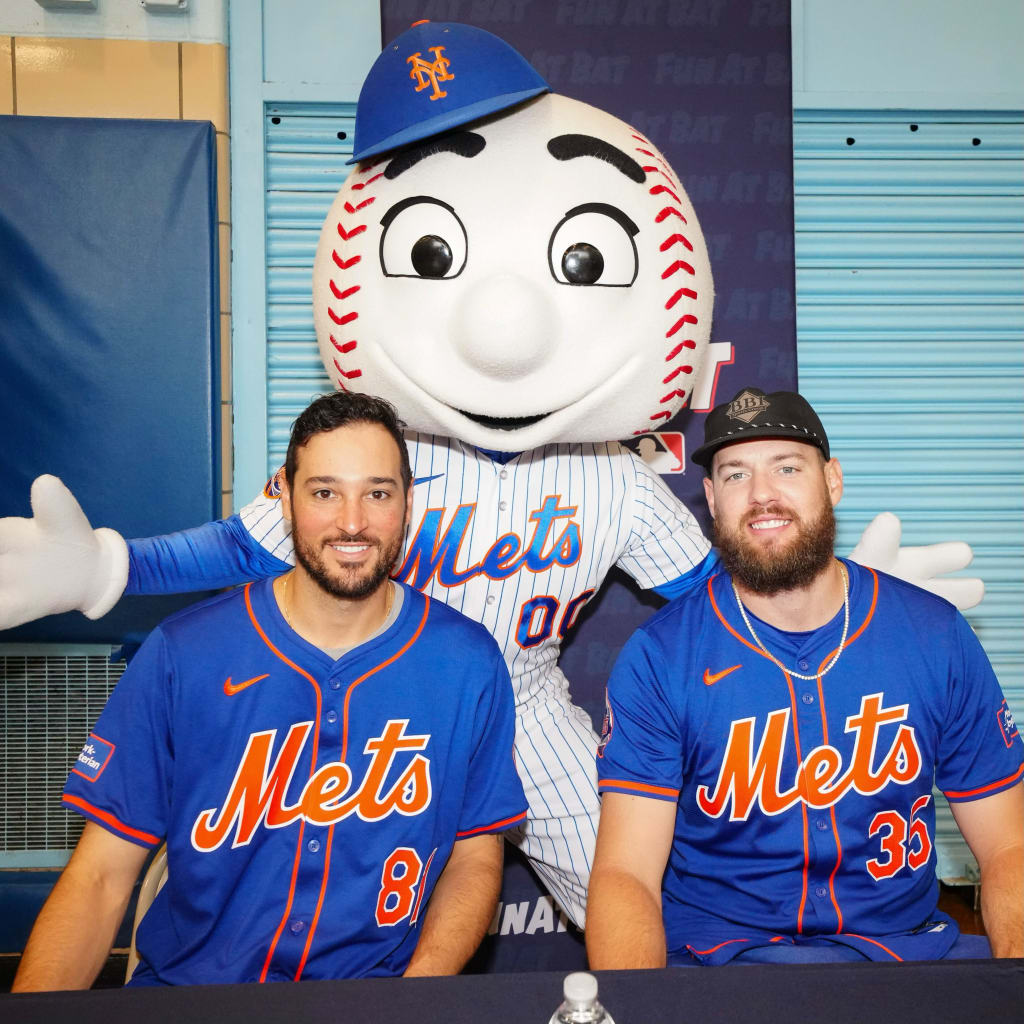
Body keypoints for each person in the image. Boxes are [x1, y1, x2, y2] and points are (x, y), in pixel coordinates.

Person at [0, 23, 980, 930]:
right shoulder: (377, 465)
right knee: (270, 907)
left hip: (523, 701)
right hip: (379, 699)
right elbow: (243, 546)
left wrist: (862, 614)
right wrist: (105, 567)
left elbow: (718, 599)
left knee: (640, 900)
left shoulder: (621, 483)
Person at [12, 391, 527, 990]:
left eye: (378, 493)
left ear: (408, 502)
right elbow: (100, 876)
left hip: (371, 995)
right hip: (193, 997)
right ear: (284, 497)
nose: (353, 522)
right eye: (325, 492)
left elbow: (474, 853)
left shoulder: (466, 661)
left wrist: (413, 997)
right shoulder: (186, 651)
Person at [587, 387, 1024, 967]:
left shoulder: (935, 635)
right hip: (728, 962)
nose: (763, 494)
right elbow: (625, 874)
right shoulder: (660, 657)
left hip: (906, 954)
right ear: (713, 500)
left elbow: (1007, 847)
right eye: (737, 475)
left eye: (787, 467)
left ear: (832, 481)